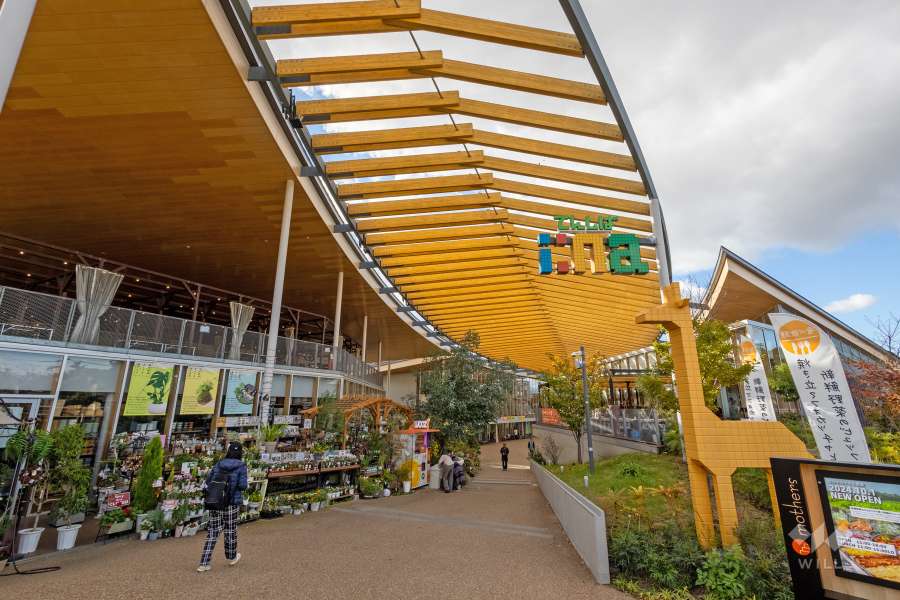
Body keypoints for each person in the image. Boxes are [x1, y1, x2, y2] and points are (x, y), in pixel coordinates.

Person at [198, 442, 248, 572]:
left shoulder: (220, 463)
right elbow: (243, 485)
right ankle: (231, 557)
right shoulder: (241, 466)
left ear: (228, 451)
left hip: (215, 499)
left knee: (213, 531)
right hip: (231, 502)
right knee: (230, 530)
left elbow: (209, 480)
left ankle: (204, 562)